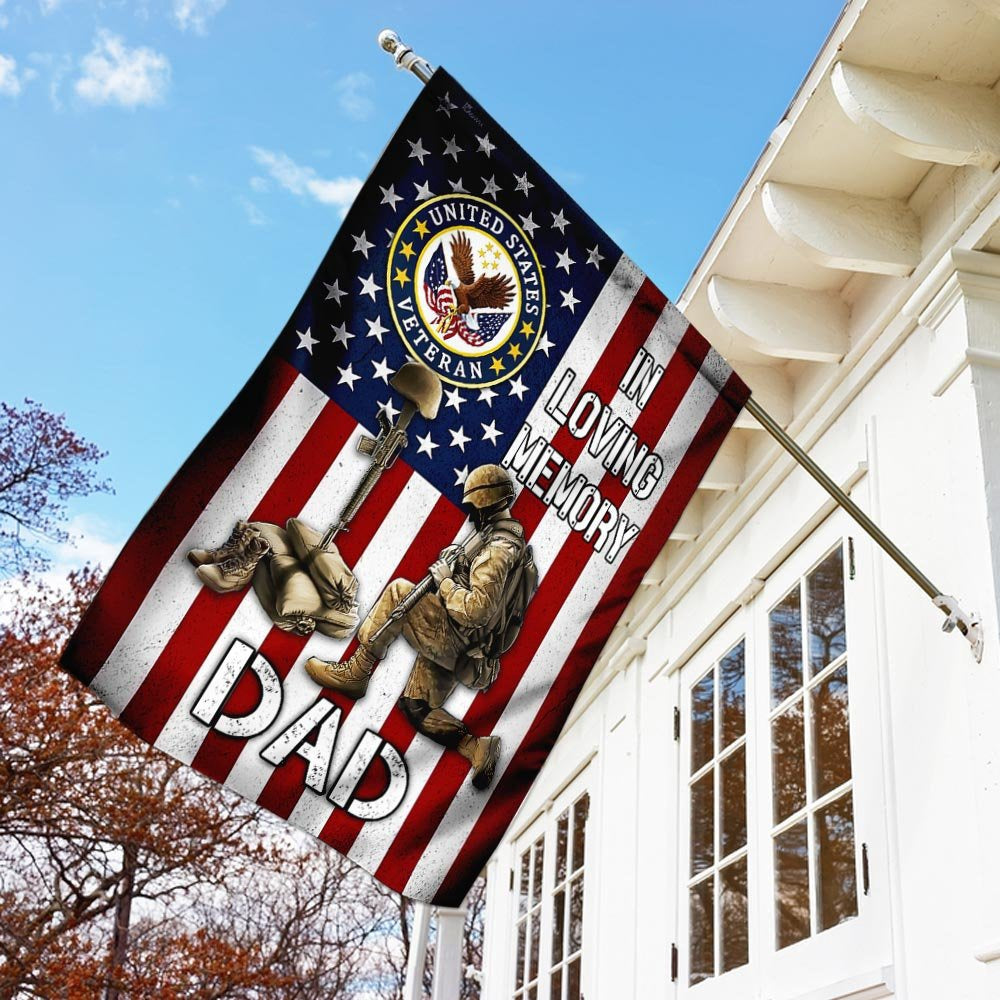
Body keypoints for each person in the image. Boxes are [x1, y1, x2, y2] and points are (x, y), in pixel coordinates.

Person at [304, 464, 534, 791]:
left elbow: (477, 610)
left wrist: (444, 584)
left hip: (459, 638)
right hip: (470, 651)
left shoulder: (498, 550)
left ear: (487, 505)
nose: (470, 515)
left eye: (474, 508)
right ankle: (476, 747)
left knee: (400, 592)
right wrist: (457, 564)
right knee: (416, 706)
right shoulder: (505, 542)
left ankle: (359, 671)